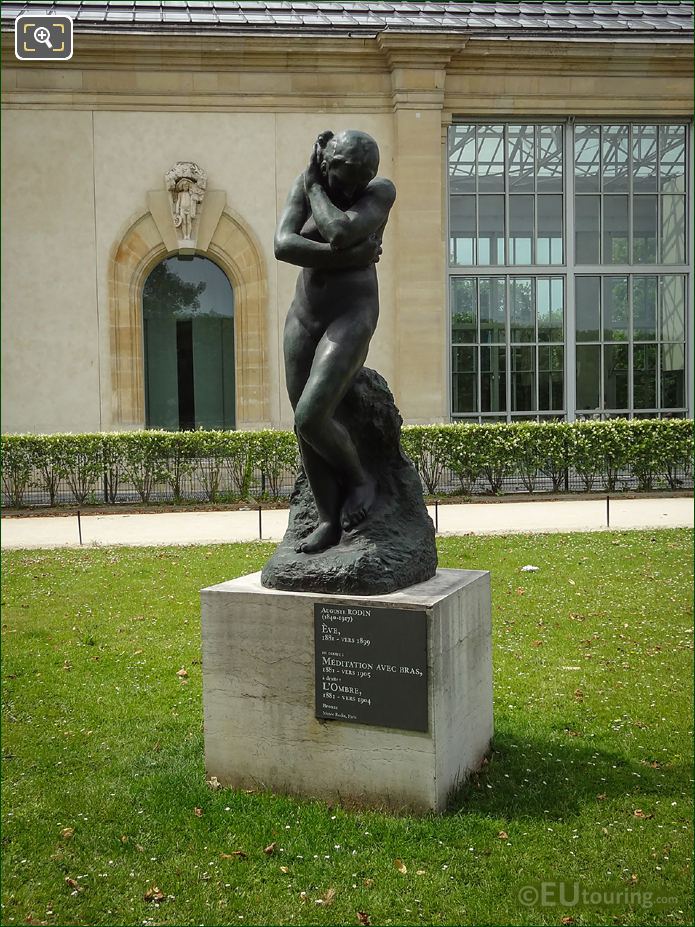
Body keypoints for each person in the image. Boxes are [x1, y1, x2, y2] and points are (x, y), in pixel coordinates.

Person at [274, 129, 396, 554]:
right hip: (304, 316)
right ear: (329, 163)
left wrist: (314, 190)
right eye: (345, 178)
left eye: (359, 180)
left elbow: (340, 230)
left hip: (352, 314)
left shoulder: (379, 191)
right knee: (302, 426)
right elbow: (283, 244)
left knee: (311, 416)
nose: (352, 188)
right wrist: (347, 258)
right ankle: (327, 518)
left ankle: (361, 478)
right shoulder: (309, 181)